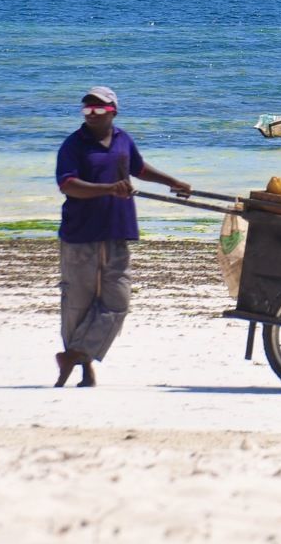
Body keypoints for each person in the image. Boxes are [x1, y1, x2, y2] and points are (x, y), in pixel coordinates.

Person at [54, 86, 191, 388]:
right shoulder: (73, 145)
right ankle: (83, 368)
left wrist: (172, 181)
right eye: (87, 109)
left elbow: (139, 168)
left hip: (117, 229)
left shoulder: (122, 140)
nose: (92, 114)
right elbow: (68, 185)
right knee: (78, 303)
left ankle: (73, 355)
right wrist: (107, 189)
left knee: (118, 302)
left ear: (113, 111)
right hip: (81, 233)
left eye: (99, 110)